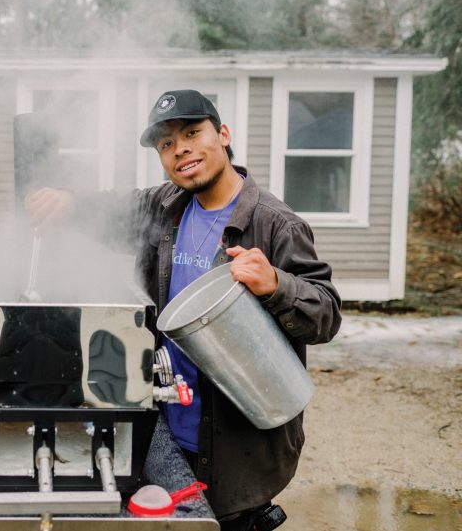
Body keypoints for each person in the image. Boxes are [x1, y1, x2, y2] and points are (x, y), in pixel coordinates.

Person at [27, 89, 341, 531]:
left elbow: (325, 314)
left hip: (238, 444)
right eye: (167, 144)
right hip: (165, 429)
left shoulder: (275, 224)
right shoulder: (165, 207)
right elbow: (112, 211)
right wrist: (71, 202)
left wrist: (276, 284)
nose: (182, 150)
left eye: (193, 133)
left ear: (223, 134)